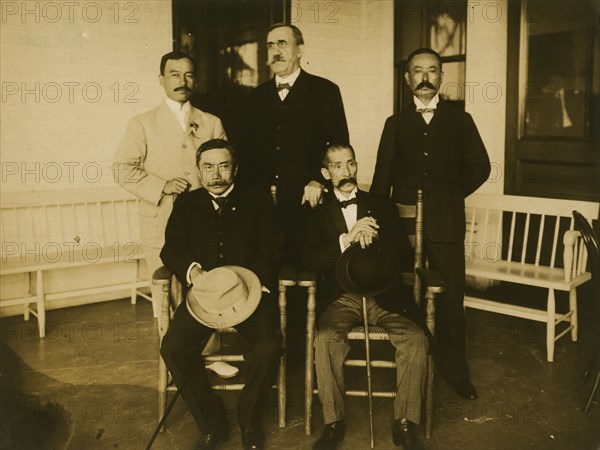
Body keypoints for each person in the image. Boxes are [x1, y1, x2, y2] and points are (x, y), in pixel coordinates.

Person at [370, 48, 491, 400]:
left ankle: (455, 372)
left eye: (432, 71)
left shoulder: (460, 120)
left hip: (446, 226)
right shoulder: (395, 124)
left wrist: (450, 194)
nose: (425, 77)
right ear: (407, 78)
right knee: (406, 297)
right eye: (417, 71)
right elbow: (381, 179)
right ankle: (410, 368)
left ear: (440, 77)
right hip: (403, 230)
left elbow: (480, 166)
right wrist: (376, 220)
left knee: (450, 299)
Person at [115, 51, 237, 378]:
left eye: (188, 75)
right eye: (174, 74)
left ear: (194, 80)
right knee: (167, 292)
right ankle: (176, 360)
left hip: (205, 225)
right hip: (160, 223)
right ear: (161, 80)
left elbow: (225, 168)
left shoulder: (211, 122)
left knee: (205, 286)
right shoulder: (142, 123)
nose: (182, 82)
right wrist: (162, 185)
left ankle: (210, 356)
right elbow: (123, 170)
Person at [159, 139, 283, 450]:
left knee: (268, 347)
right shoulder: (186, 204)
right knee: (173, 347)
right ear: (199, 171)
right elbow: (171, 250)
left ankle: (249, 420)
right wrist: (195, 273)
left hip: (248, 295)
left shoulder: (257, 200)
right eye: (209, 167)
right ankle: (213, 421)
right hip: (203, 298)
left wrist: (254, 281)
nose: (217, 174)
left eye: (224, 166)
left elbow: (273, 246)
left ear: (235, 169)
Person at [303, 144, 427, 450]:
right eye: (336, 166)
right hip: (341, 297)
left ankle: (406, 422)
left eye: (350, 164)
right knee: (326, 338)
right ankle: (334, 422)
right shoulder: (315, 212)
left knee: (415, 337)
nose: (345, 173)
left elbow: (403, 252)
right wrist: (346, 240)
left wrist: (375, 240)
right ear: (325, 173)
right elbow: (311, 259)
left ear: (357, 166)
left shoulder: (381, 205)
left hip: (384, 295)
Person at [242, 23, 349, 265]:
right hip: (264, 200)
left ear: (299, 50)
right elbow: (246, 151)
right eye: (270, 45)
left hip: (308, 198)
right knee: (267, 264)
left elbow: (339, 147)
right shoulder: (256, 97)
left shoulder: (325, 91)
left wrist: (318, 180)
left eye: (282, 43)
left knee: (305, 265)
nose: (275, 51)